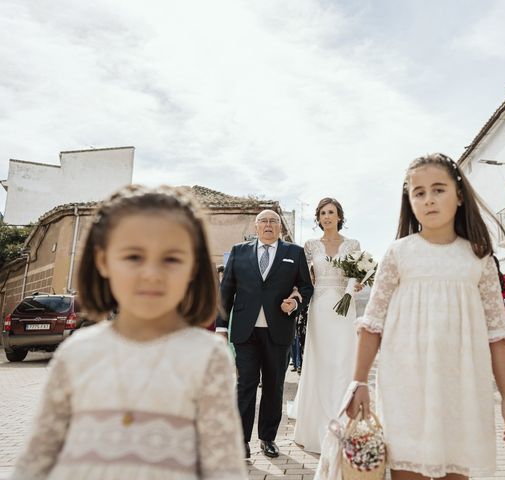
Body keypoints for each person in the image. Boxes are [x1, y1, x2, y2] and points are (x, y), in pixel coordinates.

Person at [10, 185, 247, 480]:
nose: (151, 273)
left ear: (193, 268)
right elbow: (37, 459)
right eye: (134, 256)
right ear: (103, 260)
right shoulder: (76, 352)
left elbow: (224, 466)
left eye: (171, 258)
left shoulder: (208, 357)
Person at [346, 154, 505, 480]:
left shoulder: (479, 258)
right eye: (419, 192)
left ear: (458, 195)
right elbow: (372, 325)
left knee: (455, 471)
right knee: (406, 471)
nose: (428, 199)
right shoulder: (398, 253)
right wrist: (358, 382)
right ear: (409, 200)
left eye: (438, 189)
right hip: (405, 385)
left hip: (463, 389)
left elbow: (497, 336)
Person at [216, 210, 313, 459]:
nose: (269, 225)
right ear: (256, 226)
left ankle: (268, 438)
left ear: (280, 227)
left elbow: (305, 287)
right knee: (245, 385)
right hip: (245, 332)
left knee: (274, 386)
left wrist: (294, 303)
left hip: (278, 330)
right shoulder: (239, 251)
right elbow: (226, 291)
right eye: (264, 221)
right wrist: (220, 327)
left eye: (274, 221)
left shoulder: (295, 252)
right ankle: (240, 441)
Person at [289, 197, 363, 453]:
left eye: (331, 212)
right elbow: (305, 280)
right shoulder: (310, 246)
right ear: (318, 219)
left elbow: (356, 276)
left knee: (344, 359)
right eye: (322, 213)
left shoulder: (352, 244)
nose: (327, 217)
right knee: (321, 361)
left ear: (339, 216)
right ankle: (316, 425)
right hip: (320, 308)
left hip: (345, 307)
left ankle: (344, 421)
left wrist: (351, 293)